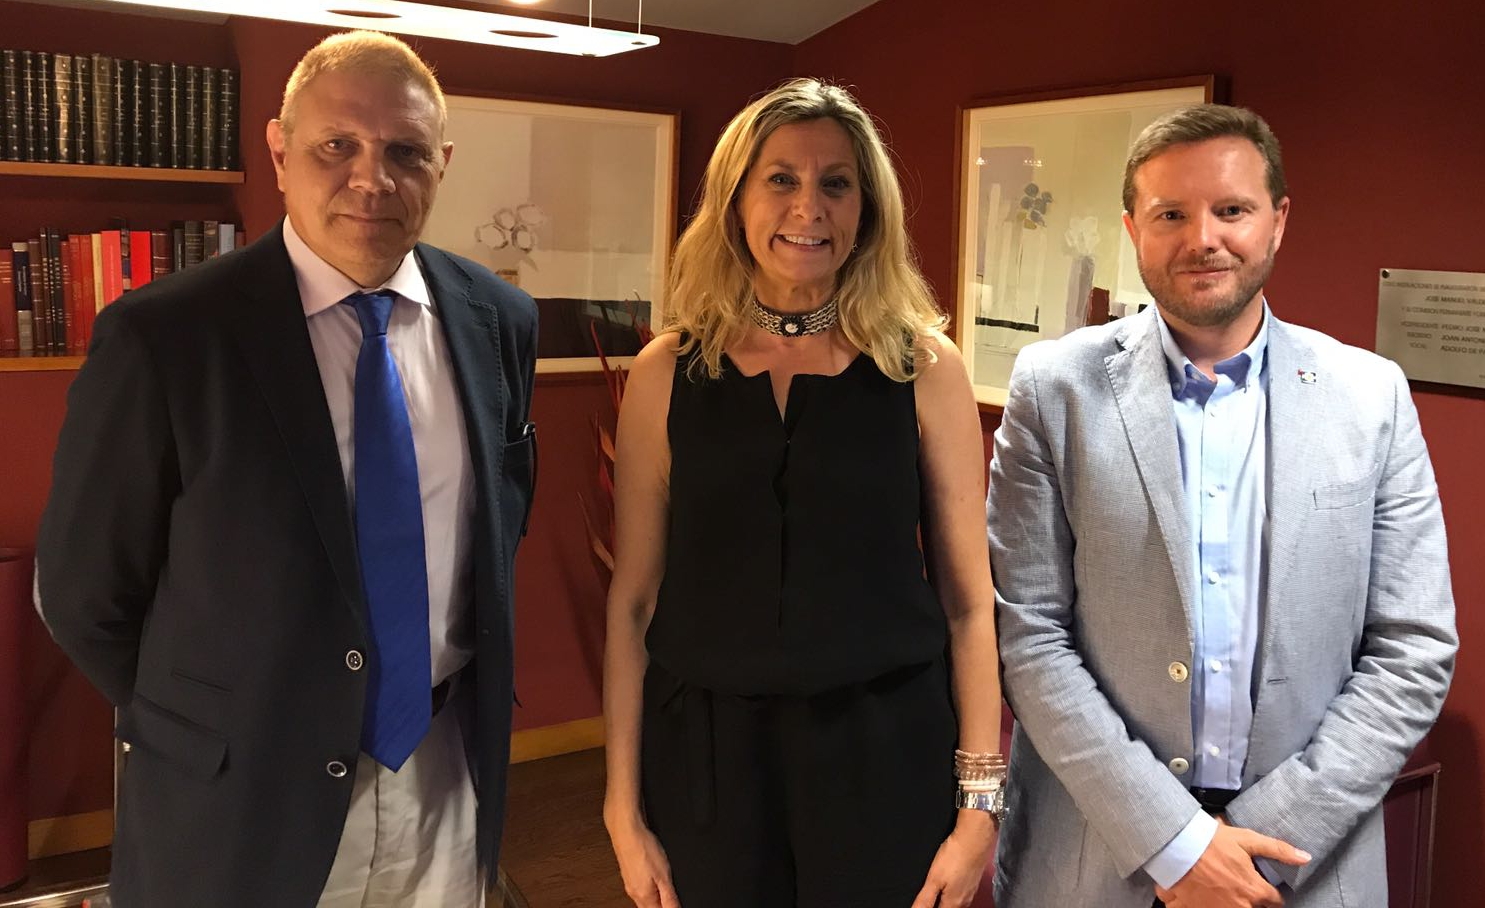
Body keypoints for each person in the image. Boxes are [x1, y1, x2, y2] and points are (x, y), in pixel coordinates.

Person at [34, 30, 537, 908]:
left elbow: (499, 521)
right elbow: (84, 591)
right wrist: (209, 721)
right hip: (240, 793)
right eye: (336, 146)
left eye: (405, 151)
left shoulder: (498, 320)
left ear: (443, 163)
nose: (372, 180)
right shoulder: (167, 336)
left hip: (442, 772)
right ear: (278, 152)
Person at [987, 103, 1457, 908]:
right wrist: (1175, 844)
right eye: (1170, 214)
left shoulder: (1369, 396)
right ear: (1132, 230)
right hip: (1094, 861)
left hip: (1304, 865)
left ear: (1277, 221)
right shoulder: (1051, 389)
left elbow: (1412, 649)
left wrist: (1250, 846)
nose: (1202, 238)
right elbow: (1029, 636)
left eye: (1231, 209)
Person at [601, 78, 1004, 908]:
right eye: (780, 179)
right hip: (706, 764)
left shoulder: (923, 369)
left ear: (867, 209)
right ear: (735, 201)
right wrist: (620, 807)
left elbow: (968, 604)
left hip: (885, 756)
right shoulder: (666, 372)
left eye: (835, 183)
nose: (807, 208)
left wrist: (978, 806)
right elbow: (634, 603)